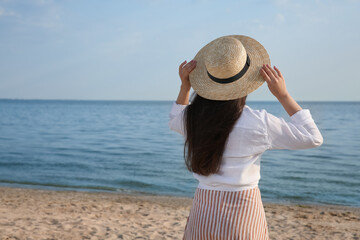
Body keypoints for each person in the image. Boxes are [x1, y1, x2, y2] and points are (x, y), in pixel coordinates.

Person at [168, 35, 323, 240]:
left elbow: (175, 117)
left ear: (208, 79)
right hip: (242, 207)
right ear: (245, 82)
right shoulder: (259, 122)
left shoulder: (193, 117)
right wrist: (283, 95)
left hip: (203, 207)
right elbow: (312, 137)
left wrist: (185, 87)